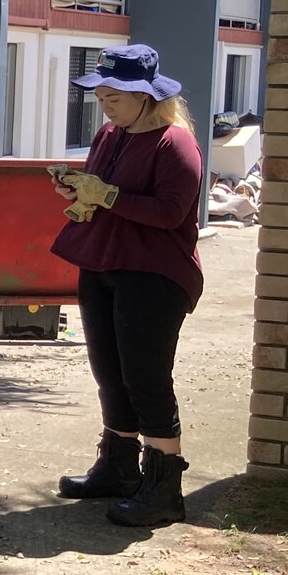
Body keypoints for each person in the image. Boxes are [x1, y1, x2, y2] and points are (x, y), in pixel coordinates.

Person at [50, 45, 204, 528]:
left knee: (146, 376)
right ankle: (118, 468)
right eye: (101, 93)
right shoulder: (110, 134)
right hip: (103, 263)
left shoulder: (176, 143)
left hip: (155, 274)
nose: (105, 101)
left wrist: (108, 195)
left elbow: (171, 214)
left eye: (115, 94)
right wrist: (80, 190)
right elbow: (103, 191)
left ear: (147, 96)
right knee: (109, 372)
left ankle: (163, 490)